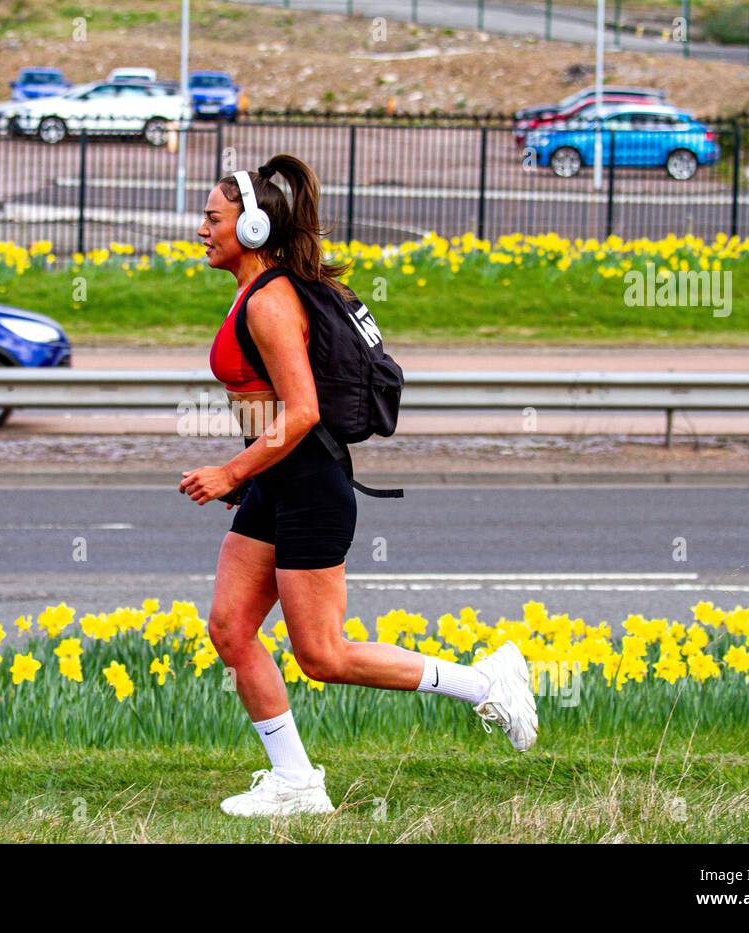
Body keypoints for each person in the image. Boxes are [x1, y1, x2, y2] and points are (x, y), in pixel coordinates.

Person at [178, 154, 538, 818]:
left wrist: (234, 468)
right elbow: (266, 404)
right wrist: (249, 471)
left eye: (213, 217)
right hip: (275, 483)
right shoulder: (252, 292)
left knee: (323, 653)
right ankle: (296, 781)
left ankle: (487, 681)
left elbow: (304, 410)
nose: (201, 228)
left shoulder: (272, 302)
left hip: (311, 485)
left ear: (252, 227)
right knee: (230, 628)